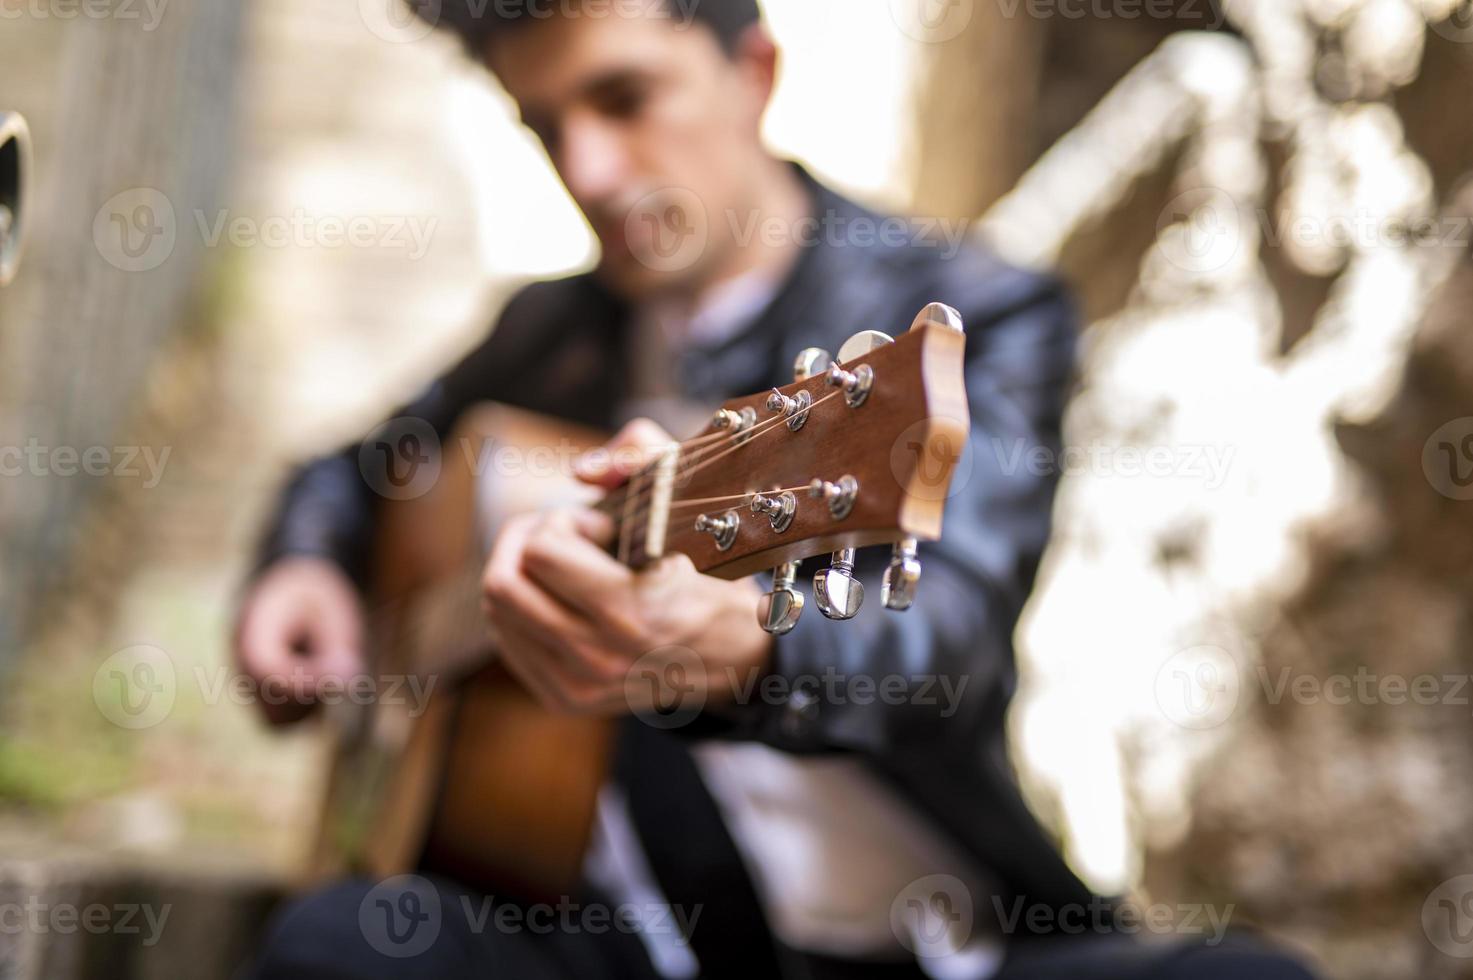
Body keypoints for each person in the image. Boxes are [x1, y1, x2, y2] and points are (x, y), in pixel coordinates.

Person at [237, 2, 1317, 978]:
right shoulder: (553, 329)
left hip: (918, 945)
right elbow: (356, 465)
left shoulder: (962, 314)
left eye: (624, 97)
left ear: (754, 69)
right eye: (545, 126)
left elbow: (955, 636)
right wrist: (307, 562)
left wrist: (757, 650)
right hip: (618, 935)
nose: (593, 169)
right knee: (337, 940)